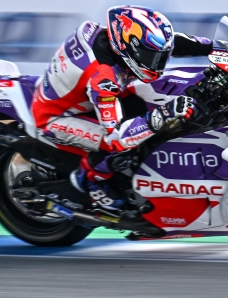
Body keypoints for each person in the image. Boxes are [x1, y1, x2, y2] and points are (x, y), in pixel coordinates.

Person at [31, 5, 213, 212]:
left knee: (142, 107)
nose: (157, 64)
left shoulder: (115, 39)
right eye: (150, 57)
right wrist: (164, 114)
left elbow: (174, 43)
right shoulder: (104, 78)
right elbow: (117, 137)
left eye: (159, 57)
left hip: (82, 96)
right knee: (122, 146)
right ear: (126, 48)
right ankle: (88, 180)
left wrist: (219, 47)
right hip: (56, 118)